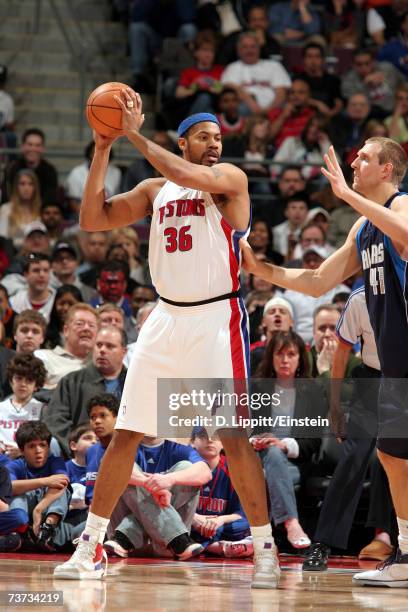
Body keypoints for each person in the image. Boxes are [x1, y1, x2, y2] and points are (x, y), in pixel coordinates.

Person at [54, 101, 280, 589]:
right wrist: (102, 148)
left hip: (216, 317)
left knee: (234, 438)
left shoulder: (229, 181)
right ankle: (89, 546)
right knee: (128, 433)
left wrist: (133, 134)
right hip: (164, 318)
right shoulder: (156, 190)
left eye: (217, 137)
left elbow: (181, 170)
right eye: (202, 136)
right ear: (182, 141)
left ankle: (266, 551)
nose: (213, 144)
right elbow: (94, 218)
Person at [240, 136, 408, 586]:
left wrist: (347, 196)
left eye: (365, 158)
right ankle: (407, 557)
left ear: (387, 170)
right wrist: (263, 269)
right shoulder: (363, 229)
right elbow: (317, 280)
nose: (355, 162)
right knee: (393, 458)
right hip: (394, 368)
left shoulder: (403, 206)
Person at [303, 287, 393, 571]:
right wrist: (335, 406)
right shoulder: (360, 299)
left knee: (393, 460)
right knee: (353, 458)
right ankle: (323, 542)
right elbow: (342, 352)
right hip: (370, 381)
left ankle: (391, 538)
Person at [252, 330, 323, 549]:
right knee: (270, 455)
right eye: (279, 354)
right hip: (257, 457)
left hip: (294, 461)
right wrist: (256, 440)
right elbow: (244, 429)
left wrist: (283, 445)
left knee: (274, 457)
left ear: (300, 358)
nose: (285, 360)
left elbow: (313, 442)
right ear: (271, 357)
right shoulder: (256, 387)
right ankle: (291, 524)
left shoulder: (312, 392)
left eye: (291, 354)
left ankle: (277, 531)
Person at [42, 326, 128, 457]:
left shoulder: (135, 381)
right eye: (99, 345)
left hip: (128, 452)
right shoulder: (72, 381)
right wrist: (78, 446)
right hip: (80, 454)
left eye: (110, 346)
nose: (102, 350)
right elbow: (55, 420)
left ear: (124, 352)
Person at [7, 421, 70, 552]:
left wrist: (38, 510)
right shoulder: (15, 465)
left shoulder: (56, 462)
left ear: (49, 447)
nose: (38, 451)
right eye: (31, 446)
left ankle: (47, 532)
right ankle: (21, 533)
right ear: (22, 450)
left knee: (61, 489)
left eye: (43, 445)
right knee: (18, 494)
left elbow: (63, 482)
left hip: (48, 516)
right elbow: (9, 487)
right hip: (25, 520)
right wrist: (46, 481)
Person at [190, 428, 252, 558]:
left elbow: (241, 514)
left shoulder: (235, 469)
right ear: (192, 442)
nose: (211, 440)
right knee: (179, 525)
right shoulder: (183, 466)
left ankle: (200, 545)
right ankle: (218, 548)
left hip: (220, 526)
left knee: (245, 524)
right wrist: (194, 519)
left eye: (216, 436)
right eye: (203, 436)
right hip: (191, 524)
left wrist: (219, 520)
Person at [35, 303, 99, 389]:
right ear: (66, 330)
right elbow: (31, 390)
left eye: (91, 325)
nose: (86, 328)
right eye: (80, 324)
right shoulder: (43, 357)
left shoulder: (101, 365)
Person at [0, 354, 46, 460]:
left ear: (36, 385)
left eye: (29, 380)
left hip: (29, 459)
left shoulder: (42, 409)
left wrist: (22, 451)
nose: (23, 384)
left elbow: (45, 443)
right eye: (19, 378)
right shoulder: (1, 407)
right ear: (11, 381)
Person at [2, 128, 58, 205]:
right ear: (22, 147)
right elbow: (7, 197)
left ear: (43, 149)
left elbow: (50, 200)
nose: (33, 149)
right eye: (30, 144)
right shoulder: (11, 169)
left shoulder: (50, 171)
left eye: (37, 145)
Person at [0, 169, 42, 248]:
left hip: (35, 256)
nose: (26, 188)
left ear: (35, 188)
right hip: (12, 255)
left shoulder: (40, 210)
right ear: (16, 187)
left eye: (30, 184)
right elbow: (2, 239)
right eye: (22, 184)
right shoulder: (6, 209)